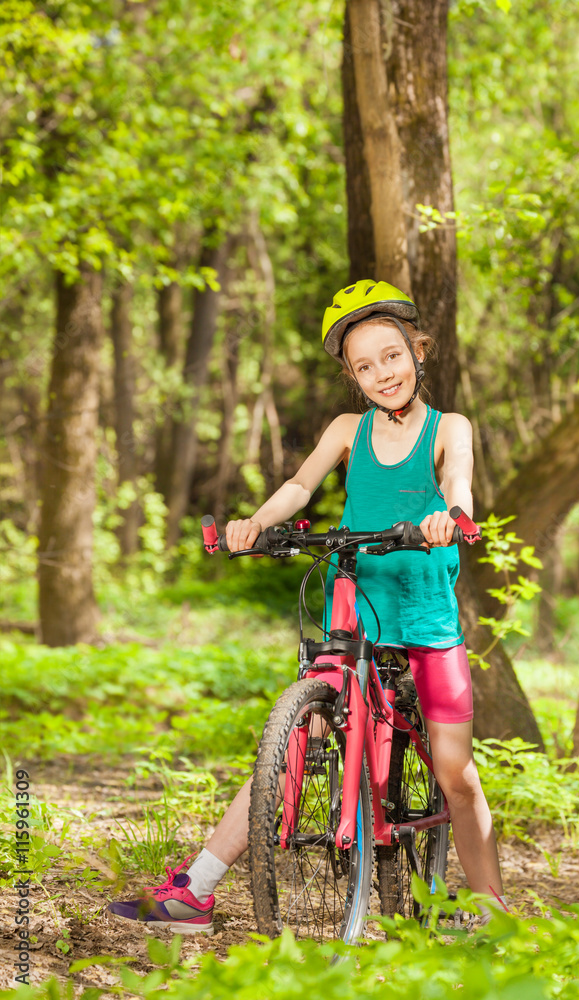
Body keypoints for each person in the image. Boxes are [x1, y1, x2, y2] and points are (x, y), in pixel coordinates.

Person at [107, 278, 508, 935]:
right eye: (365, 364)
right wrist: (253, 524)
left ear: (418, 351)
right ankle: (196, 888)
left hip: (423, 611)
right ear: (351, 377)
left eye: (392, 355)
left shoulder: (447, 427)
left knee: (455, 771)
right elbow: (299, 485)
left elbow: (457, 479)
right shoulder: (347, 430)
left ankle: (490, 904)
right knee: (294, 741)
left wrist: (452, 516)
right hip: (354, 605)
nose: (382, 371)